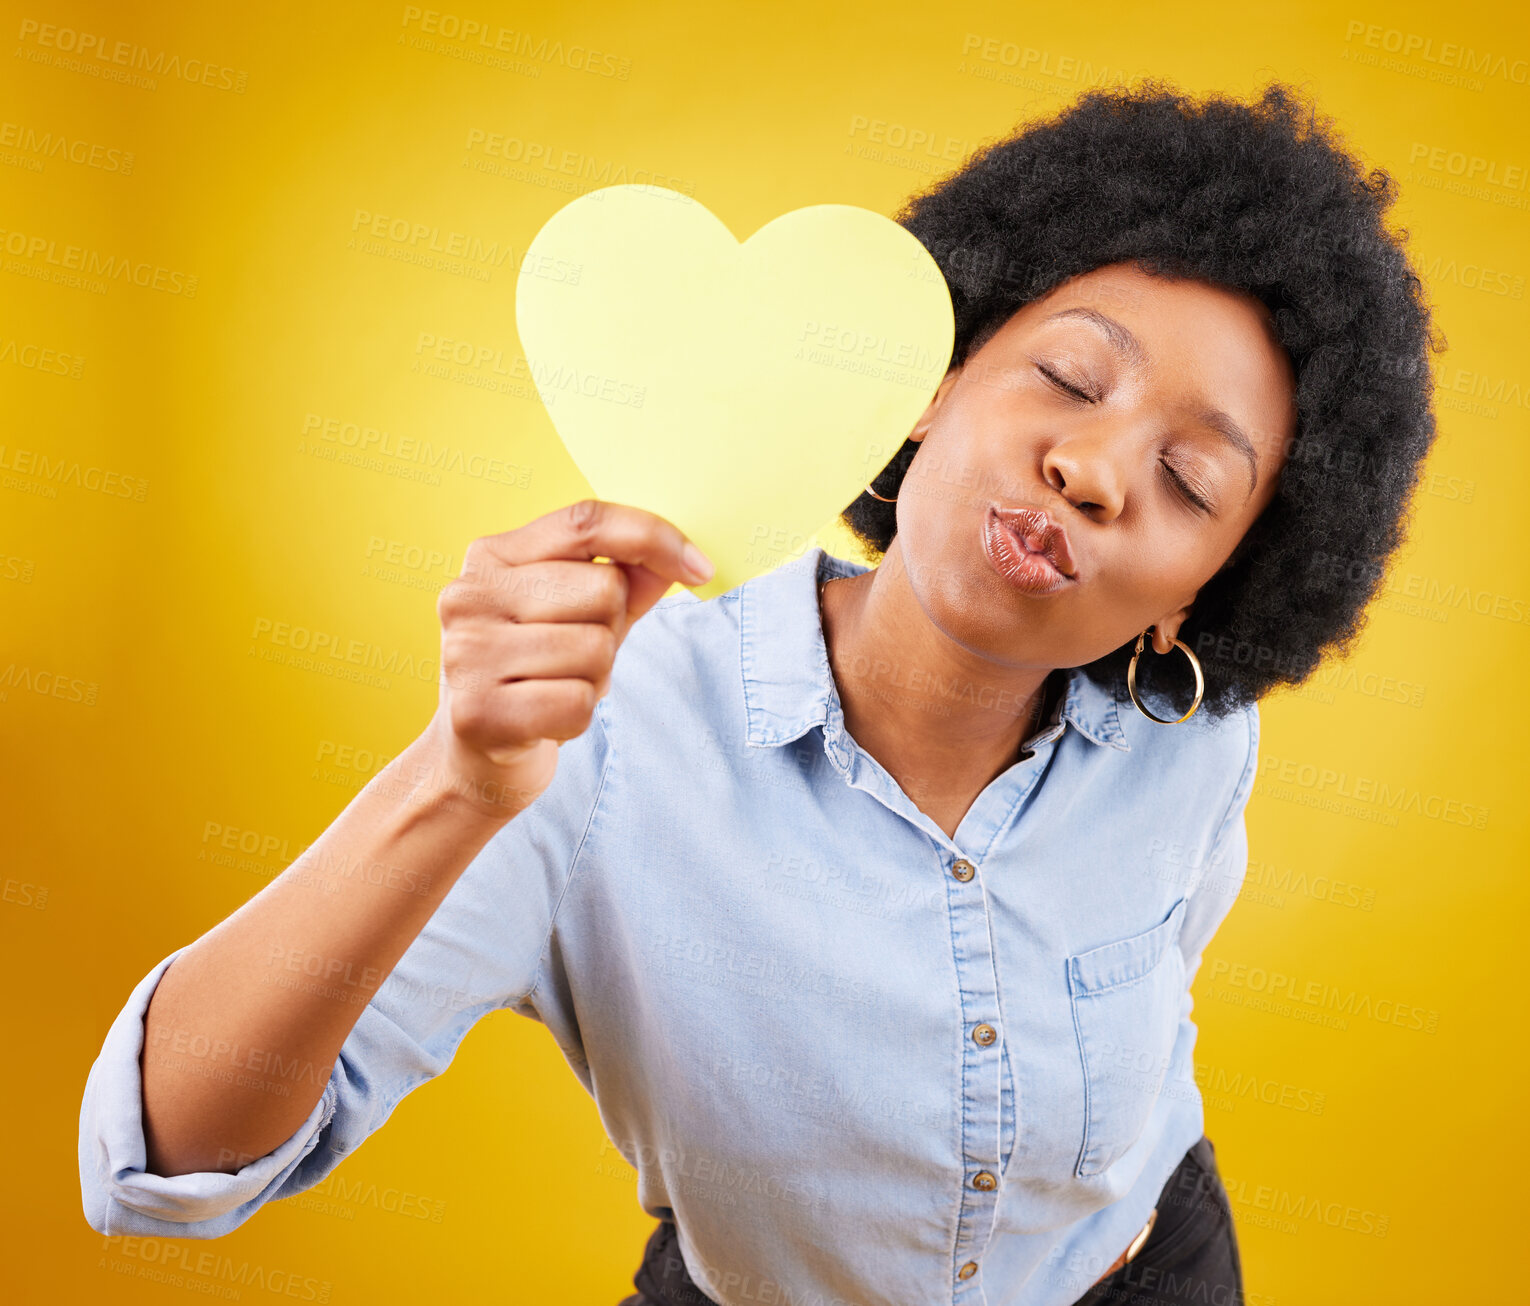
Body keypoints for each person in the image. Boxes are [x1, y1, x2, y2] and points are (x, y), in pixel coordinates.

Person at [78, 80, 1437, 1306]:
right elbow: (164, 1160)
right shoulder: (602, 739)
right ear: (932, 379)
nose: (1091, 467)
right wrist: (456, 776)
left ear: (1200, 589)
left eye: (1190, 482)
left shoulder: (1194, 739)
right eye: (1067, 378)